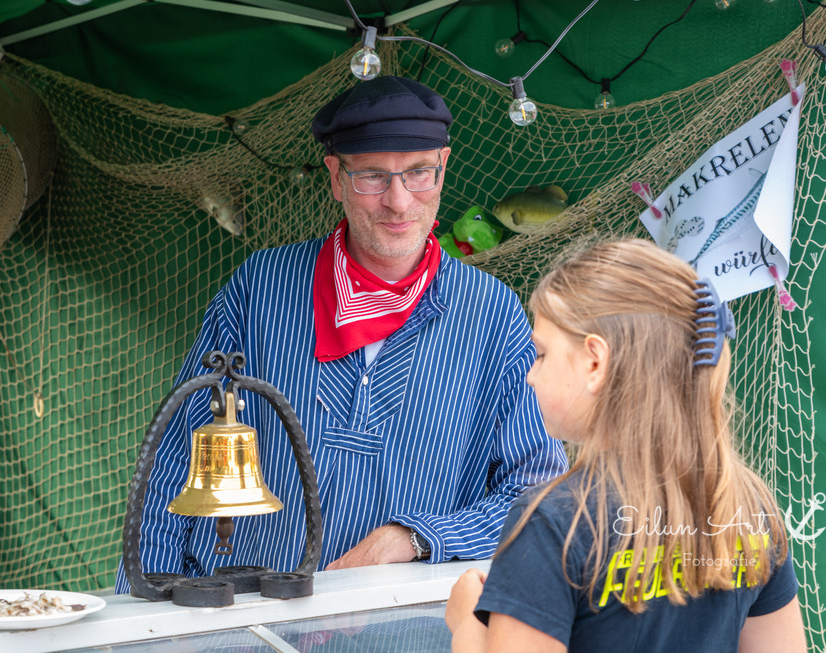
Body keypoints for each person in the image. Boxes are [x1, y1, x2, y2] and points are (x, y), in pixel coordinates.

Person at [114, 76, 567, 592]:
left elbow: (540, 497)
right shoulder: (262, 287)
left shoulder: (492, 315)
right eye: (373, 176)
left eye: (418, 172)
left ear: (443, 166)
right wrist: (149, 610)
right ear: (335, 175)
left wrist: (415, 538)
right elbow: (176, 457)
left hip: (403, 635)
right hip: (248, 626)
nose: (398, 202)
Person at [445, 239, 805, 652]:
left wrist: (468, 623)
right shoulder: (749, 507)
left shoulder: (552, 524)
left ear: (595, 362)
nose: (530, 375)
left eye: (541, 354)